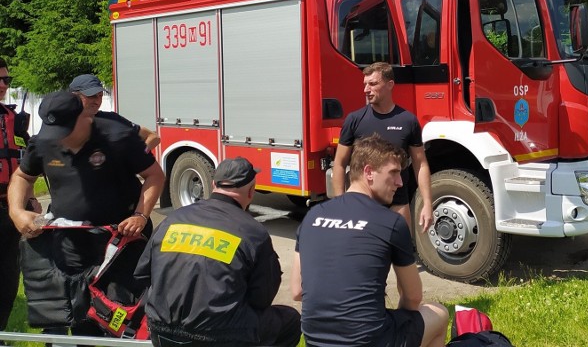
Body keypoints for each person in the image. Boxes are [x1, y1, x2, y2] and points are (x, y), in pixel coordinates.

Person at [6, 90, 165, 338]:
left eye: (65, 131)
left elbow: (154, 175)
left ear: (84, 117)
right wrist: (17, 211)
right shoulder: (44, 142)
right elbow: (22, 177)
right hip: (70, 245)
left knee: (123, 317)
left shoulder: (118, 137)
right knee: (75, 315)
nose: (60, 140)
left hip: (118, 245)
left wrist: (140, 215)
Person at [292, 134, 449, 347]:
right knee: (438, 314)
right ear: (368, 172)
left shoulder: (311, 217)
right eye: (393, 173)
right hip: (369, 341)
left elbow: (297, 291)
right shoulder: (391, 222)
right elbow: (413, 299)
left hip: (315, 340)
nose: (400, 182)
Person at [136, 157, 301, 347]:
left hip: (160, 331)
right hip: (218, 337)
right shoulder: (253, 232)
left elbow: (142, 275)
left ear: (213, 184)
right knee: (290, 321)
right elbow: (262, 298)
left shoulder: (172, 220)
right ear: (251, 191)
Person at [331, 62, 433, 231]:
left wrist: (428, 203)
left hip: (398, 203)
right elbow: (339, 164)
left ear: (390, 85)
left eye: (372, 84)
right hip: (361, 204)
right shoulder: (354, 120)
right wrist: (340, 203)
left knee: (401, 254)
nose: (366, 89)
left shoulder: (408, 121)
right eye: (365, 84)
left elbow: (420, 164)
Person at [0, 57, 36, 334]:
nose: (4, 85)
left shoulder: (13, 119)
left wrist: (30, 197)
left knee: (8, 278)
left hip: (8, 208)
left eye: (7, 80)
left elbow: (25, 166)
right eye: (0, 80)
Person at [70, 74, 160, 151]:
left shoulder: (112, 120)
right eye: (91, 96)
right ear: (74, 96)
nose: (97, 101)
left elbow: (153, 137)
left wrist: (140, 156)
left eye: (100, 96)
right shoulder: (60, 123)